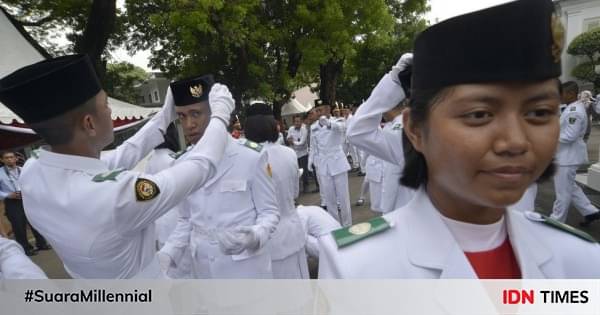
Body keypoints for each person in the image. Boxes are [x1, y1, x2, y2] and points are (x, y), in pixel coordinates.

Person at [320, 0, 600, 279]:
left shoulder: (579, 258)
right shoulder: (357, 269)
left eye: (539, 112)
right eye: (479, 115)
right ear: (416, 130)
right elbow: (358, 131)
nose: (516, 142)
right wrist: (392, 82)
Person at [0, 55, 234, 278]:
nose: (110, 111)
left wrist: (163, 117)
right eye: (106, 104)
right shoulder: (118, 196)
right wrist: (220, 115)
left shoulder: (33, 171)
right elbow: (201, 164)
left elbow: (118, 157)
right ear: (89, 123)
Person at [160, 75, 279, 279]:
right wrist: (168, 253)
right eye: (182, 116)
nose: (189, 124)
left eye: (196, 114)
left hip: (247, 272)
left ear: (215, 111)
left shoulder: (250, 156)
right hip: (205, 271)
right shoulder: (182, 163)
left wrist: (256, 235)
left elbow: (269, 211)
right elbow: (186, 219)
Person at [245, 102, 308, 278]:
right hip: (294, 231)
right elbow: (295, 193)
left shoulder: (249, 158)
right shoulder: (289, 153)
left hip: (270, 241)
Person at [551, 81, 600, 225]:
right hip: (566, 155)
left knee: (562, 192)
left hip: (568, 157)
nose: (560, 96)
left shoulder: (575, 111)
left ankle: (556, 221)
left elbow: (570, 136)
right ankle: (590, 211)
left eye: (562, 93)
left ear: (571, 94)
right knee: (570, 186)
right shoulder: (571, 107)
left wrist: (549, 137)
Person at [309, 100, 352, 226]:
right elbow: (313, 146)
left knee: (343, 198)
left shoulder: (337, 121)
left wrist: (328, 124)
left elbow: (343, 129)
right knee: (329, 199)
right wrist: (311, 160)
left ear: (328, 109)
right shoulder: (314, 127)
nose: (318, 113)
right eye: (316, 110)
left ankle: (347, 225)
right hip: (323, 165)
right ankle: (335, 226)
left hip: (337, 163)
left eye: (320, 110)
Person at [0, 151, 50, 256]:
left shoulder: (22, 170)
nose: (9, 159)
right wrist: (8, 195)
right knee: (18, 226)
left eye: (11, 157)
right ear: (2, 160)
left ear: (16, 159)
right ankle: (26, 249)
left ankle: (42, 244)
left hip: (27, 199)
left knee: (35, 222)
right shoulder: (0, 173)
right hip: (12, 202)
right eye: (6, 157)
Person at [287, 115, 310, 193]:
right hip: (293, 154)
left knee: (304, 171)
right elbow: (288, 139)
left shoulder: (304, 130)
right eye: (295, 121)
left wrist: (293, 142)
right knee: (295, 172)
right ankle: (296, 189)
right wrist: (293, 142)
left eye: (298, 121)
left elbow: (302, 143)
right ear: (293, 122)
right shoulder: (290, 129)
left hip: (303, 153)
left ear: (301, 122)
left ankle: (306, 186)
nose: (297, 123)